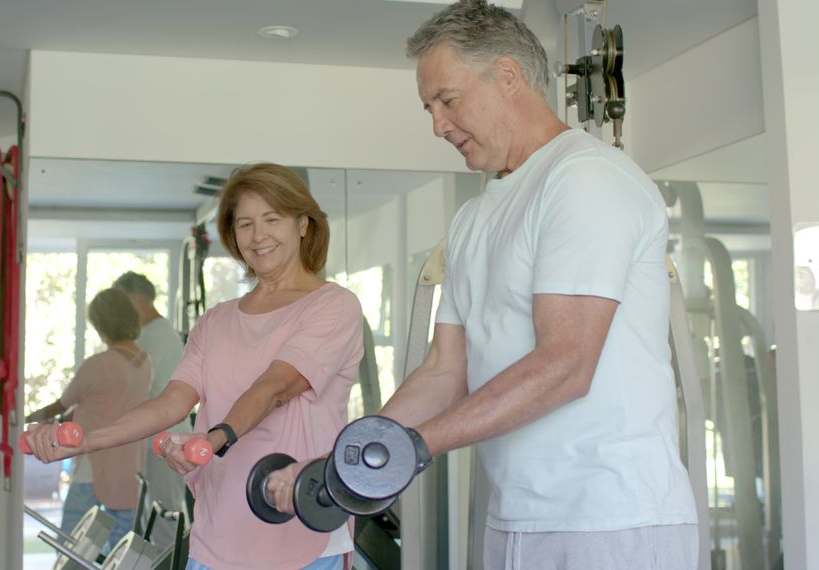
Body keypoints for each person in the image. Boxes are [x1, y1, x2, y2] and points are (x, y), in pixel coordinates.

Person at [270, 2, 699, 568]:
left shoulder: (585, 178)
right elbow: (445, 370)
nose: (437, 125)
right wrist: (346, 458)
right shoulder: (473, 218)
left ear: (508, 76)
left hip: (612, 519)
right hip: (515, 517)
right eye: (429, 108)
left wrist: (412, 446)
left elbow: (566, 364)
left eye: (447, 100)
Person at [25, 162, 365, 570]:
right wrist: (86, 442)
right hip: (217, 536)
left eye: (272, 219)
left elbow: (276, 386)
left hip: (303, 535)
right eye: (245, 224)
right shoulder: (216, 321)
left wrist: (214, 438)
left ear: (304, 224)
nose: (258, 236)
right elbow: (172, 402)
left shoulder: (334, 306)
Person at [25, 288, 151, 553]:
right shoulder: (144, 362)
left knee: (71, 546)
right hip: (129, 467)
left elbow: (62, 405)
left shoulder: (98, 364)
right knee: (122, 552)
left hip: (91, 467)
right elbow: (104, 404)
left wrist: (23, 418)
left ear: (102, 325)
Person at [113, 270, 189, 550]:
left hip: (167, 439)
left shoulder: (159, 335)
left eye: (123, 302)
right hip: (151, 440)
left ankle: (172, 565)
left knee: (165, 517)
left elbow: (139, 388)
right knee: (149, 518)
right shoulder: (146, 334)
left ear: (139, 300)